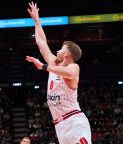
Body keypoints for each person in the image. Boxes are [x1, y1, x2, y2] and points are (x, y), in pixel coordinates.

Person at [26, 2, 92, 144]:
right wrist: (37, 21)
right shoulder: (53, 63)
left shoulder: (74, 67)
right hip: (60, 126)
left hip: (75, 122)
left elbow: (67, 73)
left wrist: (43, 66)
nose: (57, 51)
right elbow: (41, 41)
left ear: (67, 54)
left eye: (61, 49)